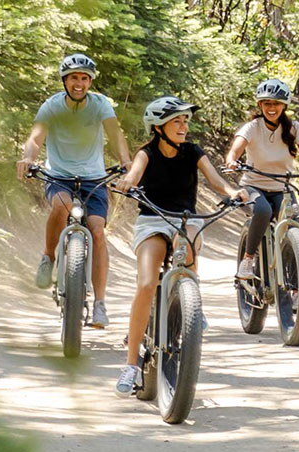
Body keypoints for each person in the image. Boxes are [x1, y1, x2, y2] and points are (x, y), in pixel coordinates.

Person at [113, 96, 249, 397]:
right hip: (152, 220)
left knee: (185, 246)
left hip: (186, 219)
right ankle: (131, 365)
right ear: (158, 127)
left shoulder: (193, 152)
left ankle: (191, 304)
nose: (184, 126)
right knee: (146, 283)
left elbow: (215, 180)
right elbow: (134, 174)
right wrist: (128, 182)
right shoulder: (146, 153)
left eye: (185, 121)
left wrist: (232, 191)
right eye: (177, 121)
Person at [16, 53, 132, 328]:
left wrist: (126, 161)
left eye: (84, 78)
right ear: (64, 81)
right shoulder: (52, 105)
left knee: (97, 231)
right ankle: (49, 256)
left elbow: (115, 134)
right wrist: (28, 158)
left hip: (94, 179)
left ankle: (100, 304)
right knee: (61, 206)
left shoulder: (100, 105)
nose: (79, 83)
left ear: (90, 82)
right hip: (59, 176)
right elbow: (36, 137)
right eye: (73, 78)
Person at [223, 79, 299, 279]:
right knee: (263, 211)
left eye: (276, 103)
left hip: (282, 189)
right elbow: (234, 151)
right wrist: (232, 161)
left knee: (293, 221)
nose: (272, 108)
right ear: (260, 105)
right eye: (267, 103)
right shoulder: (252, 127)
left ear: (284, 105)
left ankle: (296, 284)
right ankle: (248, 260)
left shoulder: (294, 128)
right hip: (252, 187)